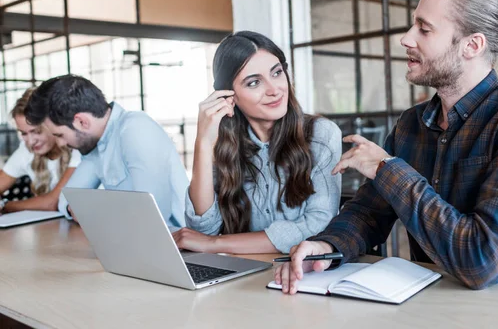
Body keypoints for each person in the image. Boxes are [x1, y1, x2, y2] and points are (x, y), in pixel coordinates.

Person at [275, 0, 498, 291]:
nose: (406, 38)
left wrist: (387, 168)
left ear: (472, 45)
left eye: (424, 29)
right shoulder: (411, 125)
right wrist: (327, 246)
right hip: (422, 304)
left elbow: (482, 261)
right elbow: (369, 213)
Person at [172, 31, 341, 254]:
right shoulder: (224, 143)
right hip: (245, 272)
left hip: (305, 272)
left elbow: (318, 226)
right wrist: (203, 143)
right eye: (254, 83)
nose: (274, 90)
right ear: (229, 95)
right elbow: (202, 230)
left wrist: (216, 244)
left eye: (277, 73)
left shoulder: (320, 134)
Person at [24, 75, 188, 227]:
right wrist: (83, 210)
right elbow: (65, 199)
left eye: (60, 135)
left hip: (180, 247)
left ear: (81, 122)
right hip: (135, 241)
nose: (60, 143)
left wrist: (92, 211)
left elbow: (153, 215)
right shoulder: (96, 145)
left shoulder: (136, 128)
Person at [0, 88, 81, 213]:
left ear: (54, 123)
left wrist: (4, 205)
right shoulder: (26, 150)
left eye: (36, 132)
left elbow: (52, 202)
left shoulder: (78, 148)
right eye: (23, 133)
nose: (31, 141)